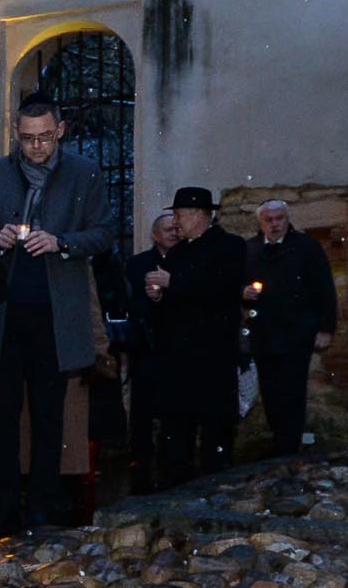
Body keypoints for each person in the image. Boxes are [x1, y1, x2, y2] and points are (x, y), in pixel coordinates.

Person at [0, 98, 115, 532]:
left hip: (56, 316)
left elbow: (104, 232)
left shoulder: (83, 173)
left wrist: (61, 242)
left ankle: (43, 509)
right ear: (16, 132)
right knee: (4, 416)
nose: (36, 146)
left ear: (61, 130)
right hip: (4, 315)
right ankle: (7, 507)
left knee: (50, 415)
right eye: (28, 138)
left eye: (44, 137)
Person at [142, 187, 248, 480]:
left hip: (211, 353)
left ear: (199, 214)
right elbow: (171, 298)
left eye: (179, 215)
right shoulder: (178, 252)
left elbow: (220, 288)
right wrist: (157, 296)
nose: (175, 222)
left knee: (215, 429)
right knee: (177, 430)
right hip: (178, 356)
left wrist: (172, 281)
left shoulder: (230, 246)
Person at [243, 198, 336, 458]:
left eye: (279, 219)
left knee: (292, 390)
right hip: (263, 332)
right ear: (260, 223)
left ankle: (289, 447)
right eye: (268, 220)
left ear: (287, 219)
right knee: (270, 391)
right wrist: (244, 292)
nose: (274, 224)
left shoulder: (307, 248)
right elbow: (238, 284)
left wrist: (326, 327)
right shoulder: (250, 249)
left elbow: (324, 289)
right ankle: (279, 443)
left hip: (297, 332)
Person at [123, 210, 180, 488]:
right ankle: (140, 464)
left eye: (175, 228)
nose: (173, 232)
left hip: (177, 347)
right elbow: (126, 303)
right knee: (142, 411)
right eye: (167, 229)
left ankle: (174, 466)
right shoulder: (137, 264)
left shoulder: (185, 261)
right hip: (146, 348)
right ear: (155, 235)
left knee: (175, 411)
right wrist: (149, 301)